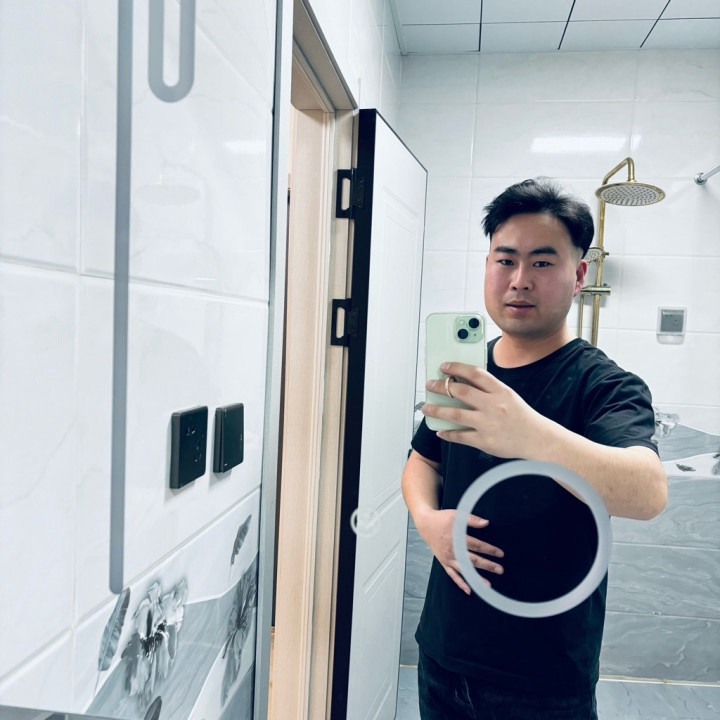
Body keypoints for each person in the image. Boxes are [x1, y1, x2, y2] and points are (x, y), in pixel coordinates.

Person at [402, 178, 667, 719]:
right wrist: (428, 521)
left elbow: (647, 494)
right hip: (444, 654)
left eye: (543, 263)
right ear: (488, 267)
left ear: (579, 275)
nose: (519, 280)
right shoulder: (468, 373)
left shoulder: (604, 385)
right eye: (506, 260)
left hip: (544, 678)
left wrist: (529, 434)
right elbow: (422, 461)